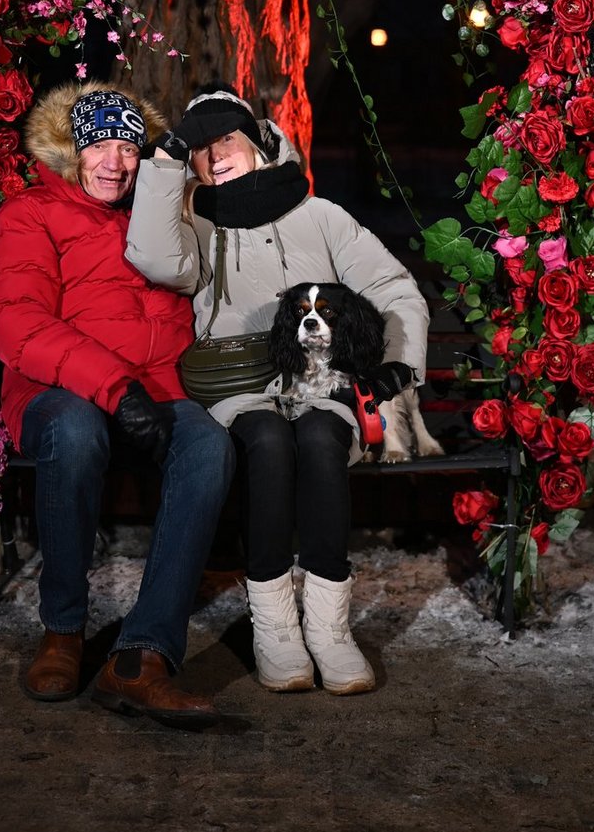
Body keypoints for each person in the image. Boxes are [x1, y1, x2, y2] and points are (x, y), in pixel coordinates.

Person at [126, 85, 429, 696]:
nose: (215, 157)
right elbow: (158, 261)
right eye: (202, 148)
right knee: (266, 440)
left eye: (227, 139)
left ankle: (330, 630)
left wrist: (395, 368)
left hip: (321, 382)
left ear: (261, 143)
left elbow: (394, 288)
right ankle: (275, 628)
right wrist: (164, 161)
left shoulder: (320, 216)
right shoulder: (197, 222)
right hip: (240, 386)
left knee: (319, 437)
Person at [0, 82, 235, 726]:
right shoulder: (30, 213)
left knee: (207, 444)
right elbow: (18, 323)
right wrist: (116, 388)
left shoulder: (155, 212)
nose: (115, 163)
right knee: (75, 430)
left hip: (155, 395)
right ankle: (63, 630)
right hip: (56, 392)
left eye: (127, 146)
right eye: (99, 145)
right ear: (72, 150)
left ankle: (141, 657)